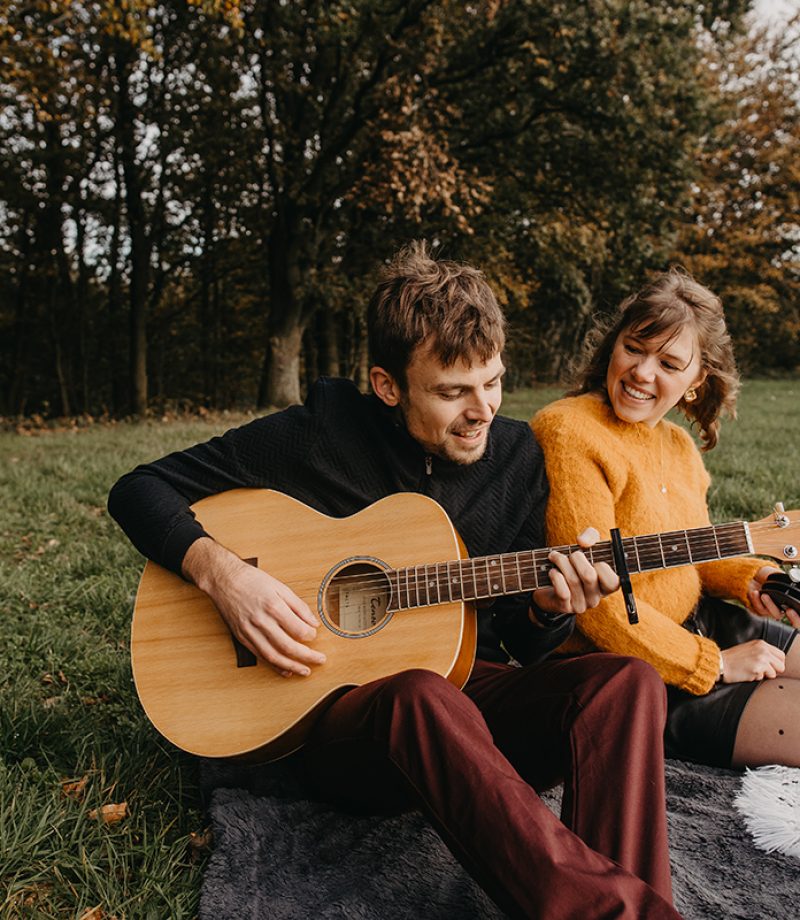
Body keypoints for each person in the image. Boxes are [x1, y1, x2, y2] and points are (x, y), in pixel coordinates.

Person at [109, 242, 681, 919]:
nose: (483, 410)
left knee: (624, 683)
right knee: (420, 693)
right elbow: (139, 488)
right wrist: (224, 576)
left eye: (493, 381)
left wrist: (548, 610)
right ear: (387, 385)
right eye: (452, 392)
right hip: (340, 723)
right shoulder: (318, 434)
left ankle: (634, 904)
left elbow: (517, 643)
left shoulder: (519, 457)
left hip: (468, 711)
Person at [532, 267, 800, 772]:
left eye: (669, 363)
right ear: (614, 345)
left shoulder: (677, 446)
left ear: (697, 381)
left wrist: (751, 575)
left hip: (701, 621)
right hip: (627, 663)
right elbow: (598, 606)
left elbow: (692, 552)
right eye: (634, 348)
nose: (642, 372)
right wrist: (714, 663)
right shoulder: (569, 431)